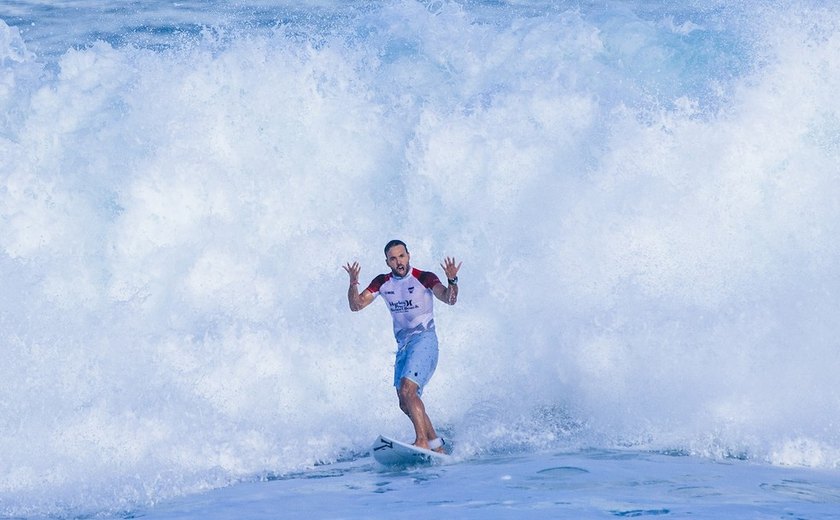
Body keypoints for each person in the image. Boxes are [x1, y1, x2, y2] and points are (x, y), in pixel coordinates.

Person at [343, 239, 461, 452]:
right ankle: (435, 444)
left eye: (402, 256)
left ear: (408, 256)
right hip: (404, 346)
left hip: (424, 340)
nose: (399, 262)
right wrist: (353, 283)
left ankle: (421, 441)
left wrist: (452, 280)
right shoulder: (382, 282)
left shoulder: (424, 278)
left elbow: (449, 299)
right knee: (404, 401)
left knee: (408, 390)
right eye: (393, 258)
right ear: (387, 262)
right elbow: (356, 305)